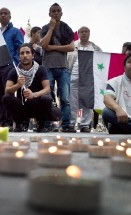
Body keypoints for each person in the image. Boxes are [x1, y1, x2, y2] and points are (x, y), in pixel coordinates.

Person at [40, 3, 75, 132]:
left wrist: (53, 47)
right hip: (48, 68)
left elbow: (71, 47)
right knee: (49, 97)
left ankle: (66, 124)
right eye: (53, 11)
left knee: (65, 98)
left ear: (61, 13)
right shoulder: (45, 28)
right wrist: (51, 28)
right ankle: (49, 124)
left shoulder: (66, 28)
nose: (56, 13)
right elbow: (43, 44)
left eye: (58, 11)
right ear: (49, 14)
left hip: (63, 68)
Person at [2, 43, 52, 132]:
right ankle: (19, 123)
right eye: (22, 53)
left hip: (35, 104)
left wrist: (34, 94)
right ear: (19, 56)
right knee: (6, 98)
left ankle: (41, 125)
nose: (25, 55)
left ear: (33, 55)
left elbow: (47, 89)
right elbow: (7, 90)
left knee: (47, 98)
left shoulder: (40, 69)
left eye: (28, 53)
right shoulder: (15, 71)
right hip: (21, 105)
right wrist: (18, 85)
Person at [67, 26, 102, 133]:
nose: (84, 33)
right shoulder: (72, 46)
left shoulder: (95, 48)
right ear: (78, 33)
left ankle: (85, 124)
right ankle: (71, 123)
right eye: (82, 32)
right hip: (73, 77)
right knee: (72, 102)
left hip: (88, 79)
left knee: (88, 102)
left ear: (89, 33)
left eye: (86, 32)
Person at [0, 7, 24, 131]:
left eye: (5, 13)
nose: (3, 15)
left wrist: (16, 66)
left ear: (10, 16)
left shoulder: (15, 32)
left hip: (9, 66)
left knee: (8, 95)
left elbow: (20, 49)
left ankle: (9, 122)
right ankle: (1, 121)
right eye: (1, 13)